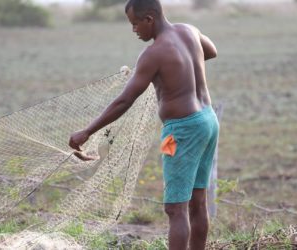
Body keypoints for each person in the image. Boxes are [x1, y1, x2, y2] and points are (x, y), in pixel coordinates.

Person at [69, 0, 218, 249]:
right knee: (197, 202)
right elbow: (211, 52)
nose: (134, 30)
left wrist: (87, 131)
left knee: (175, 208)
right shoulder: (189, 30)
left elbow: (125, 100)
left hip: (181, 132)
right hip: (208, 121)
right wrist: (179, 68)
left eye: (135, 24)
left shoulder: (153, 54)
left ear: (149, 19)